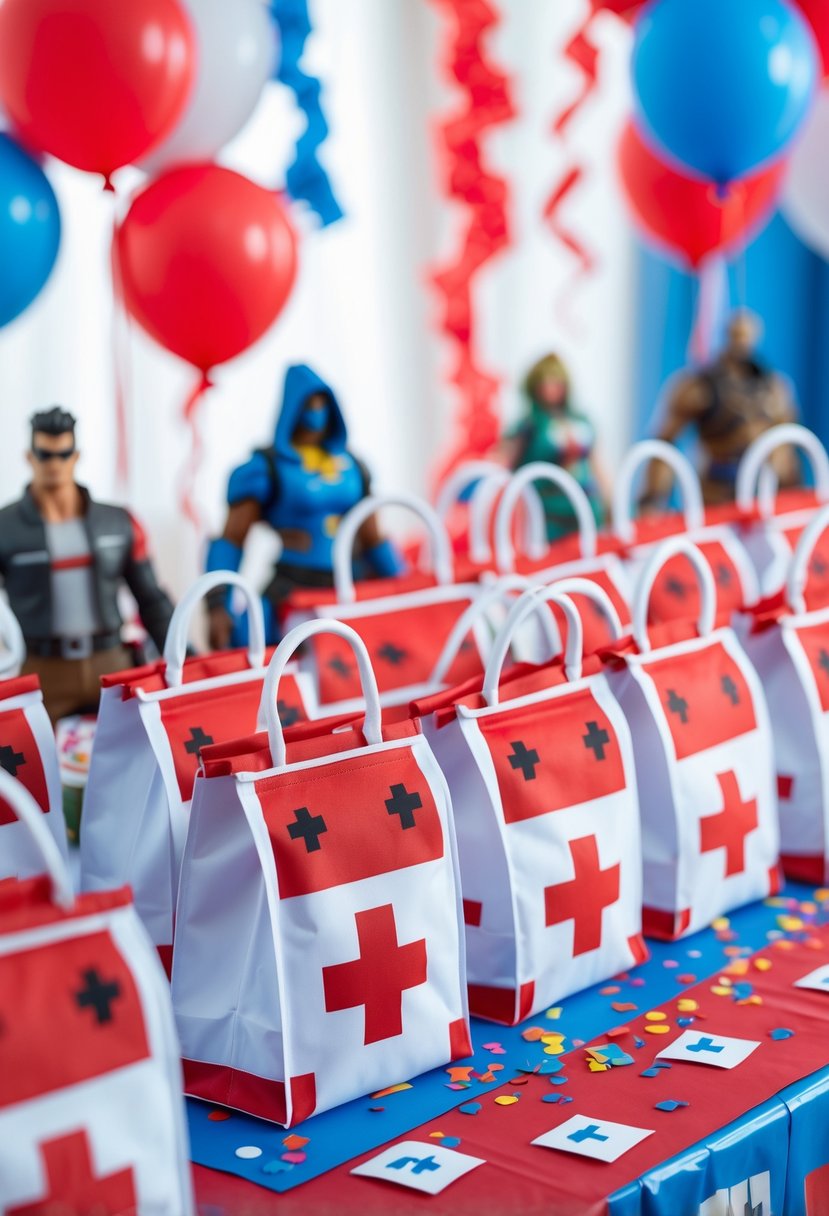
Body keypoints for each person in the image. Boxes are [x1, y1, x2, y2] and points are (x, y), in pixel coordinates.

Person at [206, 364, 403, 649]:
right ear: (292, 408)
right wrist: (217, 604)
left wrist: (403, 582)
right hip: (294, 586)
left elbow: (373, 535)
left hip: (350, 586)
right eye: (308, 402)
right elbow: (231, 539)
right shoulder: (265, 469)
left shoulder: (352, 466)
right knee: (250, 642)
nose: (316, 410)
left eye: (322, 402)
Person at [0, 407, 175, 723]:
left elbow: (151, 599)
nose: (55, 464)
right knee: (31, 765)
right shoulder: (5, 528)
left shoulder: (117, 522)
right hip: (42, 669)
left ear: (76, 456)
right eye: (45, 454)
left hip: (110, 661)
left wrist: (183, 656)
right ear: (30, 457)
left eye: (64, 454)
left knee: (135, 756)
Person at [641, 309, 798, 508]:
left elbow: (788, 449)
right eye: (737, 333)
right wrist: (653, 499)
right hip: (715, 496)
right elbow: (665, 443)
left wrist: (792, 497)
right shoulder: (698, 388)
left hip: (765, 497)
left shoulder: (775, 388)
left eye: (747, 334)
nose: (742, 340)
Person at [498, 352, 610, 541]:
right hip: (546, 512)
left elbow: (597, 465)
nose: (550, 389)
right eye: (545, 383)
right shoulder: (529, 425)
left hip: (585, 506)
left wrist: (610, 501)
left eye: (556, 382)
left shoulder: (581, 421)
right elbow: (503, 464)